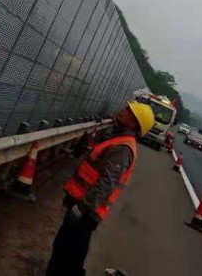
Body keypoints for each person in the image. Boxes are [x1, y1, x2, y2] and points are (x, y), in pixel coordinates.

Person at [45, 102, 156, 276]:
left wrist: (82, 208)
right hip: (83, 205)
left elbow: (106, 183)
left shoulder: (123, 147)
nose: (123, 110)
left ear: (135, 123)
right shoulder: (118, 139)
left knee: (66, 256)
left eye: (128, 111)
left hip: (86, 210)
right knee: (67, 253)